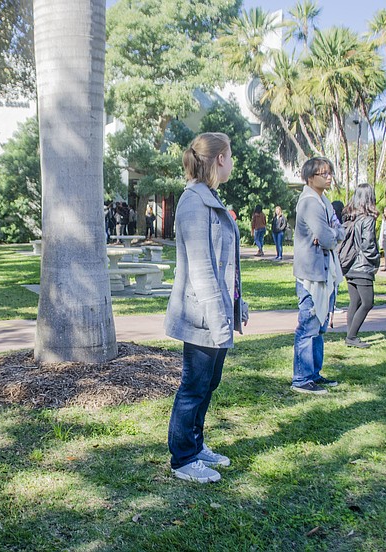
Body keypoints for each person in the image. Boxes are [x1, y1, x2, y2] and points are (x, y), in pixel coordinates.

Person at [165, 132, 248, 484]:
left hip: (216, 312)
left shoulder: (209, 198)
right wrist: (219, 319)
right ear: (218, 159)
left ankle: (195, 446)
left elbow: (225, 263)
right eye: (230, 155)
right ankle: (182, 458)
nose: (232, 162)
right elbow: (200, 269)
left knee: (208, 383)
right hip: (202, 314)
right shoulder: (193, 203)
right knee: (194, 385)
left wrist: (237, 303)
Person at [290, 157, 344, 395]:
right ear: (310, 177)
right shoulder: (310, 202)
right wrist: (330, 234)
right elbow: (328, 237)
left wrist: (331, 233)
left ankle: (313, 373)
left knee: (320, 325)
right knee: (309, 325)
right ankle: (301, 378)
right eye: (324, 174)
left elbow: (337, 229)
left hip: (325, 271)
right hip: (311, 274)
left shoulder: (324, 201)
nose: (329, 177)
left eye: (330, 173)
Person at [340, 184, 381, 348]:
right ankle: (351, 336)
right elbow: (368, 245)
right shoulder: (368, 220)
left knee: (354, 302)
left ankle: (351, 335)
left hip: (349, 265)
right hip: (362, 266)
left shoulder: (351, 217)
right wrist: (376, 260)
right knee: (367, 302)